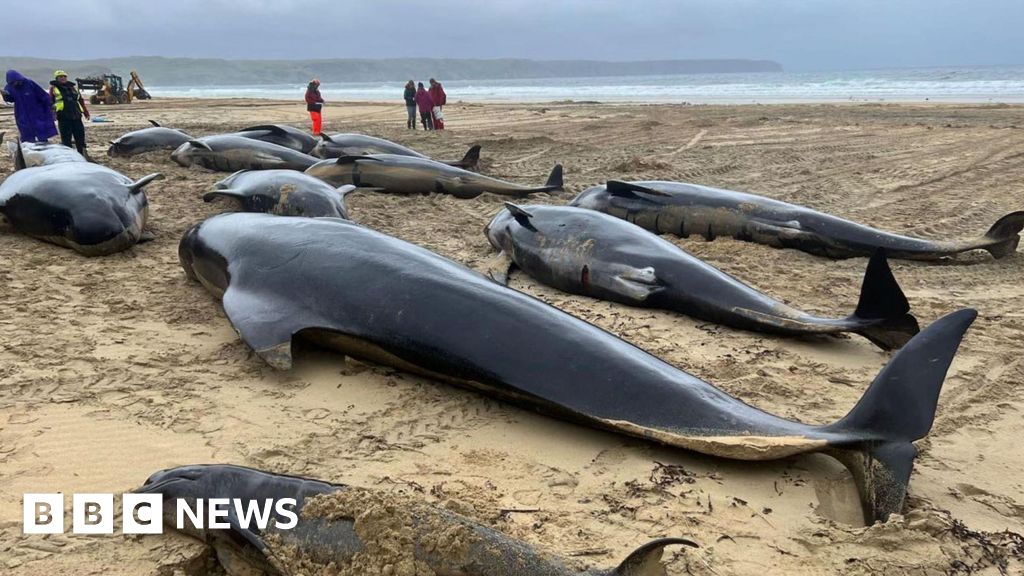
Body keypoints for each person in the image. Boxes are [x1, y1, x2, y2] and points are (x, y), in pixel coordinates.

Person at [2, 70, 58, 143]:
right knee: (26, 131)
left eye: (17, 81)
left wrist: (50, 105)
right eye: (13, 82)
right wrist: (5, 95)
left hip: (36, 111)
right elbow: (11, 100)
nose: (16, 83)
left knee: (41, 130)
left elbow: (43, 95)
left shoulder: (29, 83)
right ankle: (28, 147)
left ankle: (44, 144)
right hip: (21, 112)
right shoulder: (9, 87)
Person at [49, 70, 90, 155]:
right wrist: (52, 114)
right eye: (60, 77)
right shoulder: (53, 89)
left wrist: (86, 112)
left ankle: (83, 154)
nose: (63, 78)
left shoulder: (72, 87)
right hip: (63, 117)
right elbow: (50, 102)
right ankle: (69, 156)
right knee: (66, 139)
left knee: (80, 137)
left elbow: (80, 100)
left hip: (76, 115)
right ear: (56, 78)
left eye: (64, 76)